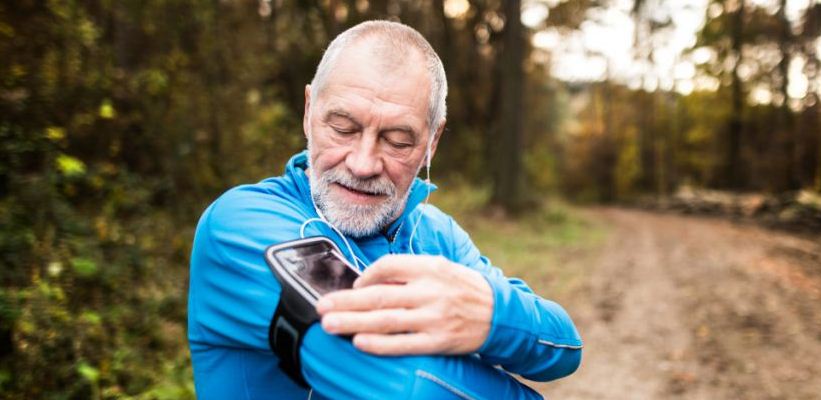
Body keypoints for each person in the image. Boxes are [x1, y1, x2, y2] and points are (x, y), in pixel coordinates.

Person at [187, 21, 582, 399]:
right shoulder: (242, 225)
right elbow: (416, 386)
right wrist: (500, 331)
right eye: (342, 128)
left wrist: (491, 313)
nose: (362, 164)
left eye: (397, 141)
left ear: (433, 141)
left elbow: (562, 345)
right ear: (309, 110)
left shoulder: (436, 233)